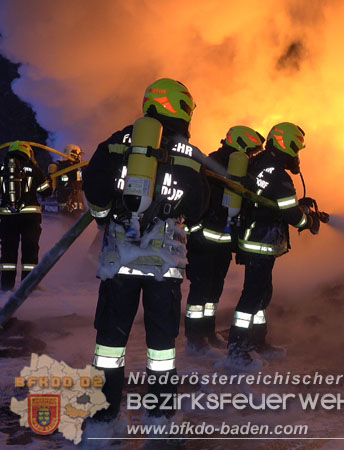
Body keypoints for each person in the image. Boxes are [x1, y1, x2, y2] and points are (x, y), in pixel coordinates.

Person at [82, 78, 209, 422]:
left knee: (109, 344)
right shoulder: (187, 155)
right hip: (163, 266)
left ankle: (102, 418)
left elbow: (93, 186)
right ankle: (161, 417)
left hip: (118, 262)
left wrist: (104, 218)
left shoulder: (115, 142)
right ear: (180, 107)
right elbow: (199, 205)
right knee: (162, 348)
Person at [228, 122, 320, 366]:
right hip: (261, 242)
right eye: (296, 150)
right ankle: (237, 349)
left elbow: (273, 203)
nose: (297, 157)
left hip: (255, 238)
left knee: (261, 296)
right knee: (252, 297)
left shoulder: (259, 164)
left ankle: (257, 342)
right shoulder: (279, 176)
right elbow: (292, 216)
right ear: (286, 146)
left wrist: (298, 204)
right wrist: (308, 221)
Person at [185, 125, 264, 355]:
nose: (251, 157)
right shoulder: (211, 164)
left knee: (213, 291)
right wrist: (196, 229)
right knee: (200, 292)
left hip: (223, 242)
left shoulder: (237, 167)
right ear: (240, 144)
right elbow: (197, 198)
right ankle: (194, 338)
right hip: (203, 241)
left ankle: (208, 333)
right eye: (250, 151)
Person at [0, 141, 50, 291]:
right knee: (30, 251)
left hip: (7, 217)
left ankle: (6, 286)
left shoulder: (2, 168)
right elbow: (45, 191)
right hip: (30, 218)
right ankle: (28, 286)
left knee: (8, 253)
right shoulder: (33, 168)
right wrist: (49, 179)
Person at [48, 144, 84, 215]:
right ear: (74, 154)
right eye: (79, 154)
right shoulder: (67, 167)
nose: (80, 157)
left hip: (75, 207)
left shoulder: (76, 167)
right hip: (68, 207)